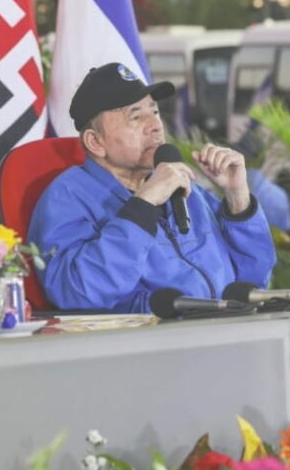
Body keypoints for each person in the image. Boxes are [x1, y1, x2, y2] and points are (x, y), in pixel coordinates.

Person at [29, 63, 276, 313]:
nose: (156, 126)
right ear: (96, 142)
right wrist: (143, 206)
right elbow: (79, 291)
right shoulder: (68, 196)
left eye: (155, 112)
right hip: (148, 343)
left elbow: (254, 282)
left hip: (227, 333)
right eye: (136, 117)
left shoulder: (189, 192)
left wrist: (237, 199)